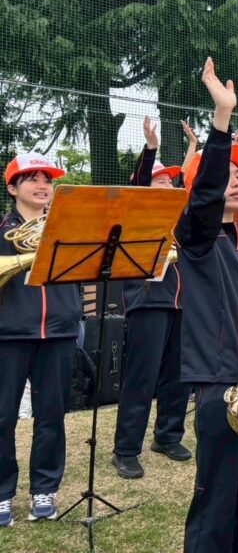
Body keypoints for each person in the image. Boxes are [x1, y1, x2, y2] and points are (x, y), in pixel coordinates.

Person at [176, 58, 238, 553]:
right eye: (225, 174)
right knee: (217, 503)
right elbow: (205, 198)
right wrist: (222, 120)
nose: (237, 180)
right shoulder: (197, 238)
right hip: (221, 384)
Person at [0, 153, 79, 526]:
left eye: (48, 180)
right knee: (2, 417)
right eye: (32, 178)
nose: (43, 185)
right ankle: (2, 493)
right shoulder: (3, 232)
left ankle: (44, 489)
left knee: (51, 415)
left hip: (59, 332)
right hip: (9, 334)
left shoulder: (67, 227)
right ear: (13, 188)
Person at [111, 117, 191, 480]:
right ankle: (126, 449)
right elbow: (140, 185)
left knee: (179, 375)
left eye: (170, 181)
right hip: (148, 301)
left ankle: (168, 436)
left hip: (182, 301)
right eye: (162, 180)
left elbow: (194, 185)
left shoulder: (181, 218)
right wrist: (151, 149)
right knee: (141, 377)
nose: (168, 184)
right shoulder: (137, 212)